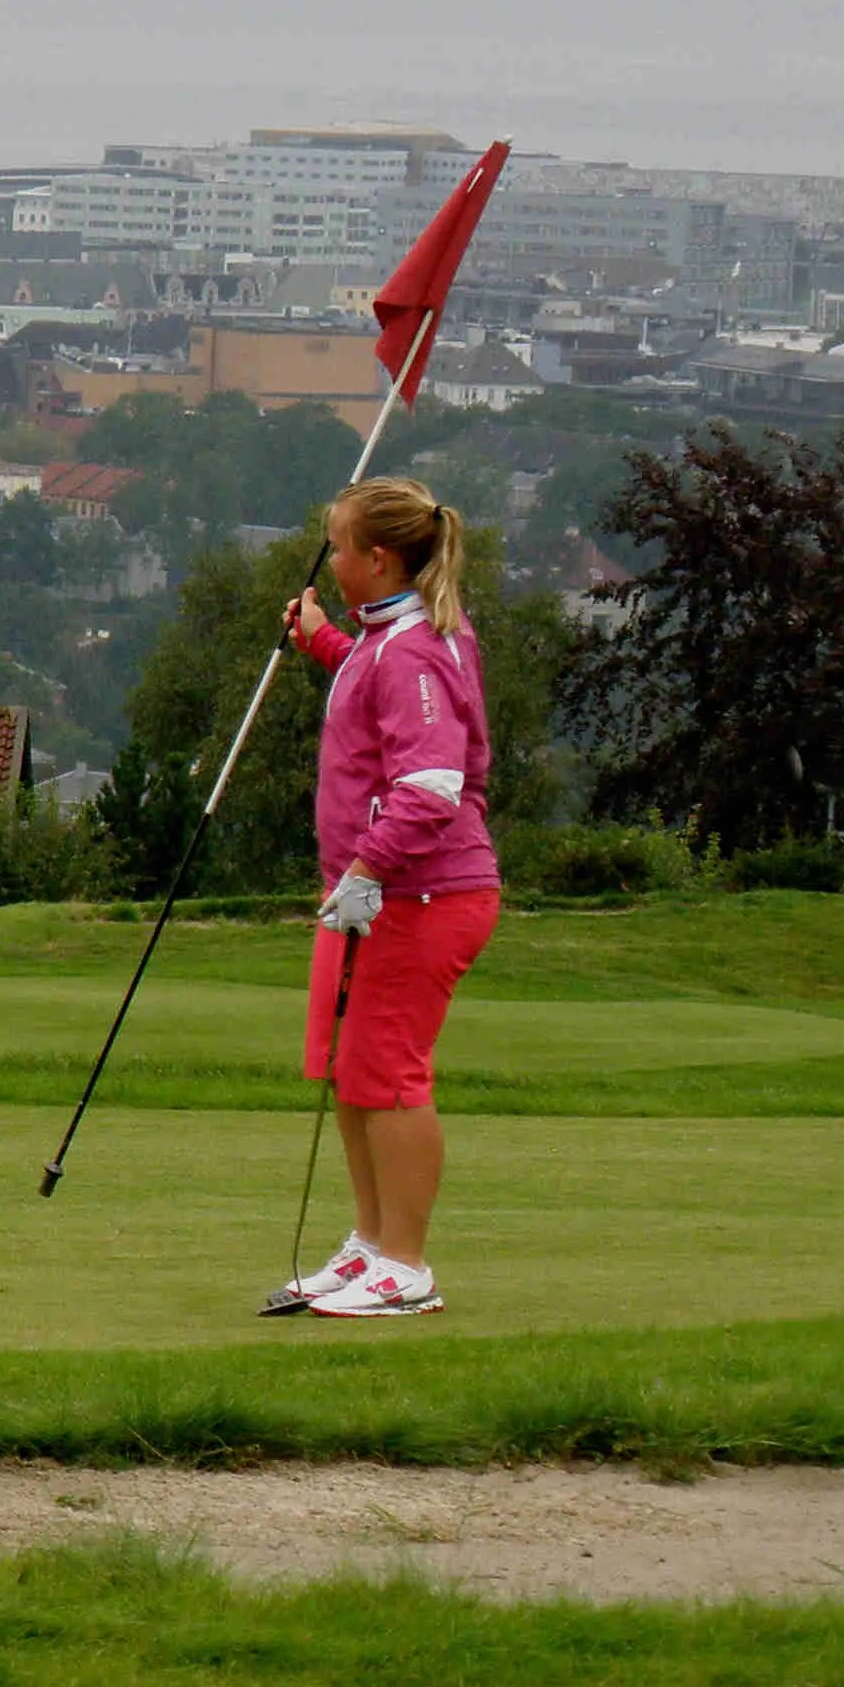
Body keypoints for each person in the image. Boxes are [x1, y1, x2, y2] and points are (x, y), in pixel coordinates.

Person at [269, 477, 499, 1319]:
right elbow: (368, 684)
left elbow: (432, 781)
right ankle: (368, 1247)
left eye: (336, 547)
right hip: (367, 890)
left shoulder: (414, 648)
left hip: (419, 892)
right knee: (348, 1071)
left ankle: (405, 1263)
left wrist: (367, 871)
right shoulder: (381, 640)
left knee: (390, 1074)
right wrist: (322, 640)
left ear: (378, 557)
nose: (328, 560)